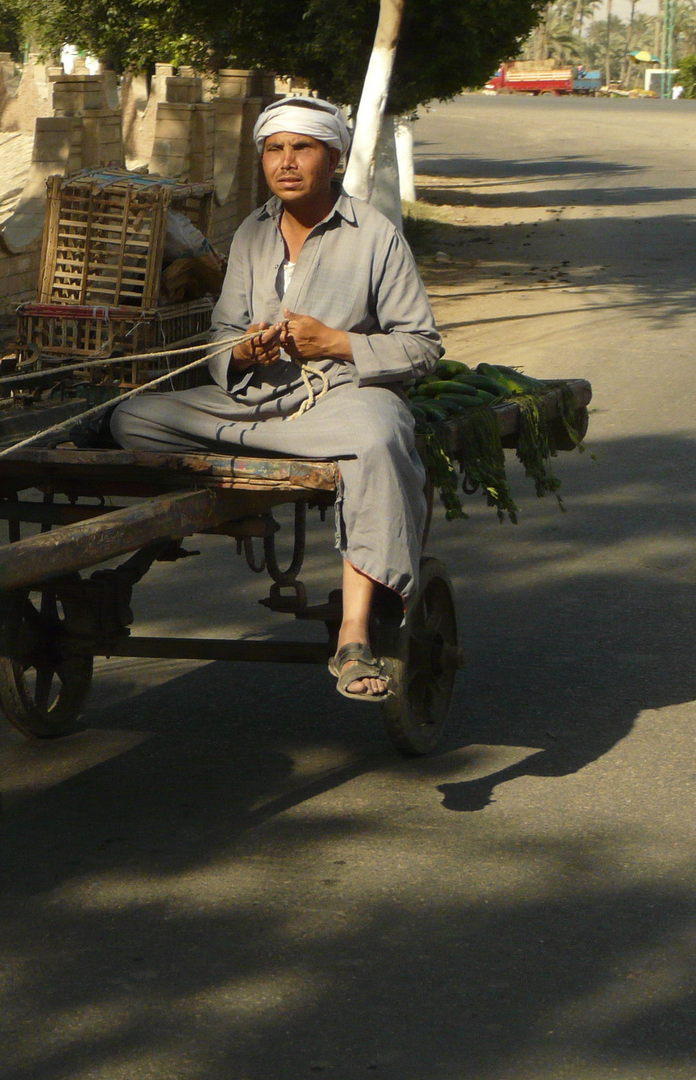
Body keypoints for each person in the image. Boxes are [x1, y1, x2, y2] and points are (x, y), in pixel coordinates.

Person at [110, 96, 443, 701]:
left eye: (303, 148)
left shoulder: (376, 235)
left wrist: (337, 342)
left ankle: (353, 635)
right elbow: (221, 332)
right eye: (274, 149)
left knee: (377, 438)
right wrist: (241, 353)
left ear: (334, 158)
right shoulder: (251, 232)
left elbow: (421, 346)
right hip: (255, 409)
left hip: (342, 401)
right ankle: (276, 466)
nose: (286, 162)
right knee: (133, 418)